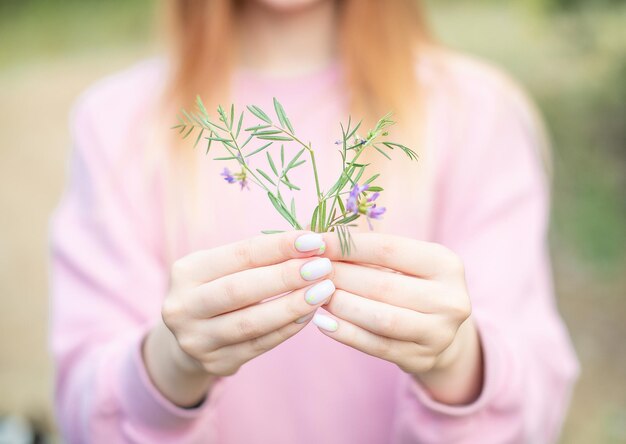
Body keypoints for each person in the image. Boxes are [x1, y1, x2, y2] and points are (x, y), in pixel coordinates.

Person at [49, 0, 579, 442]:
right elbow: (81, 412)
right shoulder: (117, 123)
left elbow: (538, 403)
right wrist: (168, 366)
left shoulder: (476, 111)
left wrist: (458, 362)